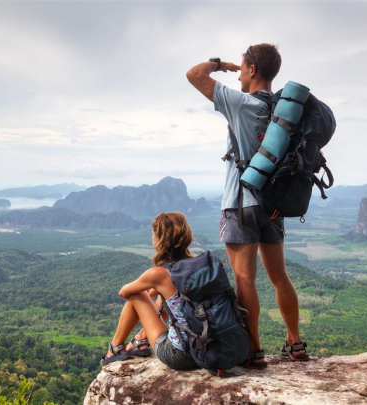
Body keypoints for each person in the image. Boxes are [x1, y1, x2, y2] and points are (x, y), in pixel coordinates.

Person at [185, 44, 309, 369]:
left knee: (244, 280)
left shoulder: (240, 103)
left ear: (252, 71)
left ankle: (254, 351)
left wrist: (219, 64)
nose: (237, 74)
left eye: (241, 68)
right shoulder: (284, 111)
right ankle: (295, 343)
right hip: (273, 204)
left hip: (240, 204)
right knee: (280, 277)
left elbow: (193, 75)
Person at [100, 212, 200, 370]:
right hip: (208, 349)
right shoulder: (198, 264)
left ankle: (114, 348)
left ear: (159, 239)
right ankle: (141, 338)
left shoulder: (159, 274)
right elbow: (166, 290)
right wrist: (156, 291)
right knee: (165, 295)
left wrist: (148, 294)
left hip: (182, 355)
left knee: (136, 294)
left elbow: (124, 292)